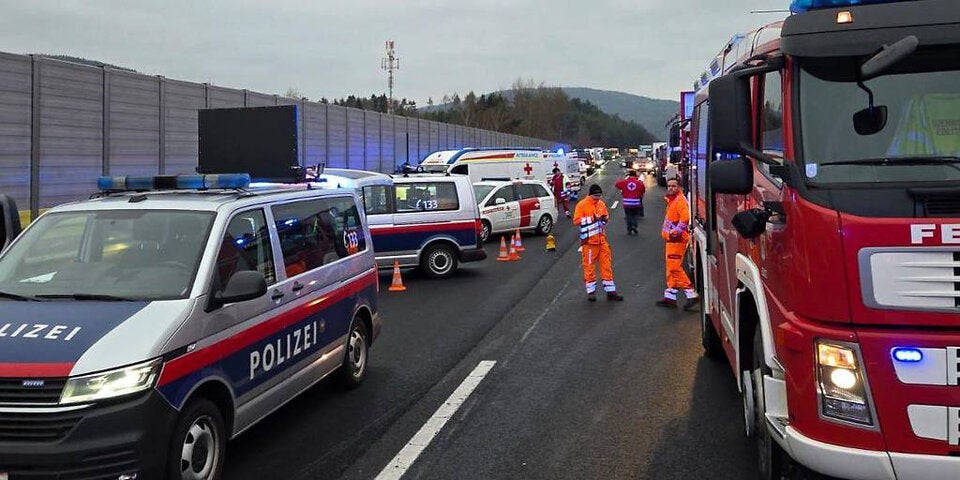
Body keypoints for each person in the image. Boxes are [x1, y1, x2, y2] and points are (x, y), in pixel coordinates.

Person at [574, 184, 624, 302]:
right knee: (589, 267)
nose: (597, 198)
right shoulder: (582, 205)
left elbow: (606, 217)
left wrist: (605, 219)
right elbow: (576, 220)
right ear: (590, 195)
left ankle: (610, 291)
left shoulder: (601, 204)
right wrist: (592, 218)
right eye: (595, 196)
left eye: (599, 196)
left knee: (607, 266)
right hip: (589, 242)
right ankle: (591, 292)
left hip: (602, 241)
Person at [656, 177, 700, 310]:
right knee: (671, 268)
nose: (670, 188)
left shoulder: (680, 201)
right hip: (671, 240)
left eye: (674, 186)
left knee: (674, 267)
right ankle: (670, 297)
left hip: (677, 240)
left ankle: (691, 294)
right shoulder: (673, 200)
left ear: (679, 187)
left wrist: (676, 232)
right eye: (669, 186)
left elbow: (686, 217)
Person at [614, 170, 645, 235]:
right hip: (636, 202)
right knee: (634, 215)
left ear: (629, 175)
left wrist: (623, 189)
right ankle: (634, 225)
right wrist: (639, 195)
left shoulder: (625, 182)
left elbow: (616, 184)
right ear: (635, 175)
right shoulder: (639, 183)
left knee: (628, 215)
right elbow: (643, 190)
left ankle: (629, 229)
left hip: (627, 202)